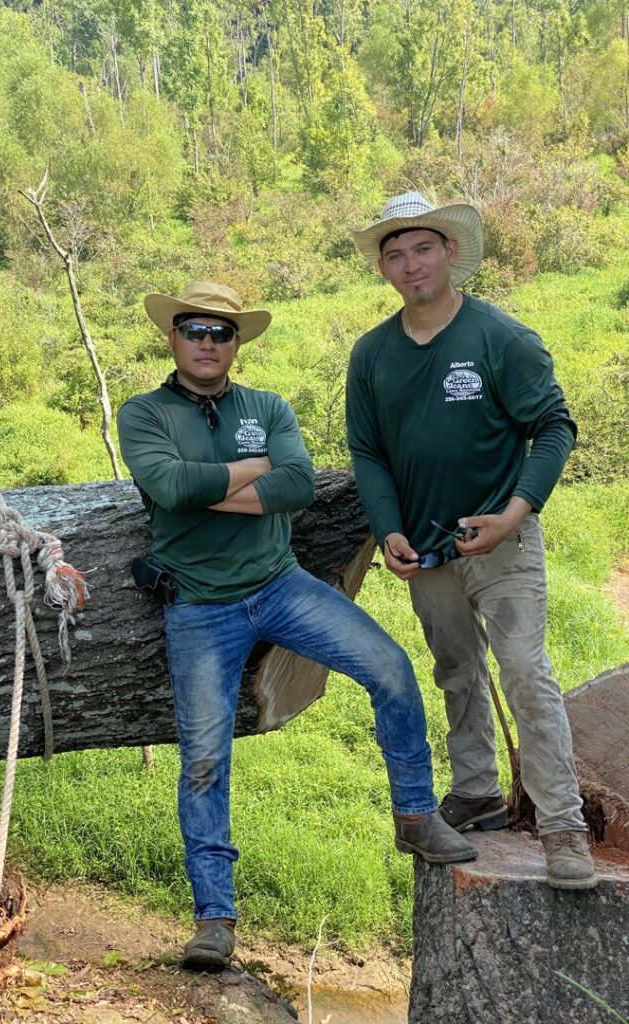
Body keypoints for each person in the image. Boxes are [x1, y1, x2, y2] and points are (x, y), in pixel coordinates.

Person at [117, 280, 476, 970]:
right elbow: (168, 488)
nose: (207, 342)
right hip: (199, 607)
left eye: (221, 332)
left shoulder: (267, 406)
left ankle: (415, 817)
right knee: (202, 760)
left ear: (237, 342)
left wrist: (213, 484)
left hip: (280, 586)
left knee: (392, 670)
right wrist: (252, 472)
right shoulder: (145, 413)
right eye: (194, 329)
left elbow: (299, 486)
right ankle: (214, 919)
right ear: (172, 336)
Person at [345, 192, 596, 890]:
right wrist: (386, 526)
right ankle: (479, 792)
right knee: (456, 670)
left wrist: (515, 514)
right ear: (385, 269)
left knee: (524, 670)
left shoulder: (500, 337)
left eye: (421, 248)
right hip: (426, 549)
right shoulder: (372, 354)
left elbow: (554, 427)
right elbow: (367, 451)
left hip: (503, 542)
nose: (409, 264)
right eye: (394, 254)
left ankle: (563, 830)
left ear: (450, 252)